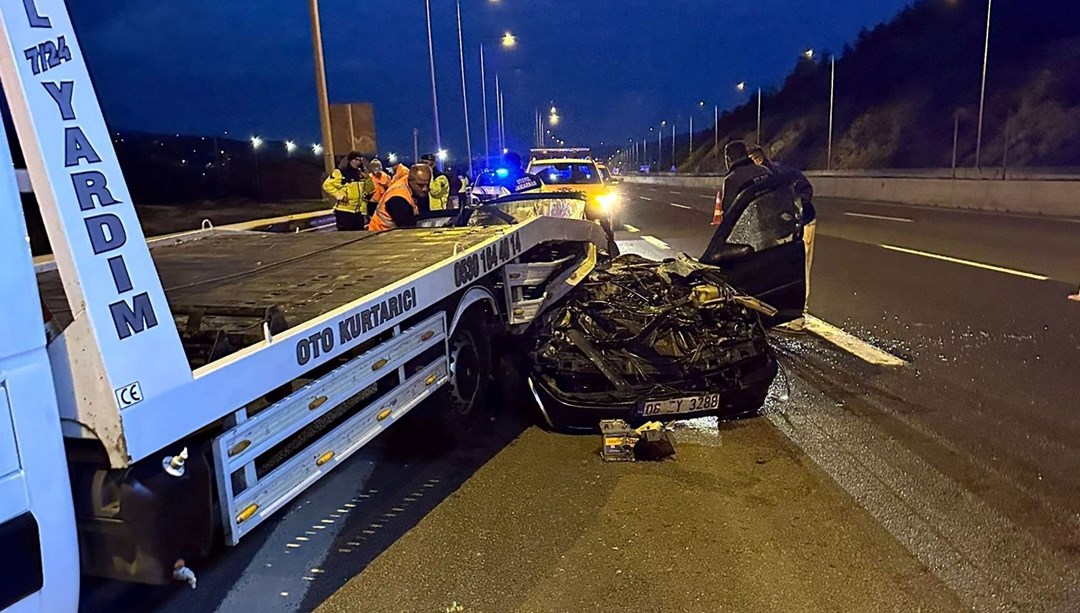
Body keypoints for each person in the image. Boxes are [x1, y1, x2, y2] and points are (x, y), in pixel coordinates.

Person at [749, 144, 817, 330]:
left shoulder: (781, 174)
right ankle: (780, 311)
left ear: (758, 160)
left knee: (800, 267)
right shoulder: (760, 178)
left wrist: (793, 210)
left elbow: (806, 190)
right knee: (780, 267)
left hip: (803, 223)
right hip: (780, 228)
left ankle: (798, 316)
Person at [712, 141, 771, 226]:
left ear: (728, 159)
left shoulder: (732, 179)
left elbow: (729, 211)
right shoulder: (765, 170)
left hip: (751, 228)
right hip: (773, 223)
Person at [368, 164, 431, 232]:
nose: (425, 189)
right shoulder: (397, 198)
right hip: (379, 234)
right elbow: (408, 228)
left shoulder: (413, 182)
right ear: (410, 181)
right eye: (420, 185)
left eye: (427, 184)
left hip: (392, 232)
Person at [323, 152, 367, 231]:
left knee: (360, 237)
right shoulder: (341, 173)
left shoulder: (361, 174)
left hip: (358, 212)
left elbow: (369, 189)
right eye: (356, 160)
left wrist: (367, 178)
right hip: (344, 211)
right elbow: (327, 185)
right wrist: (340, 196)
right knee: (346, 236)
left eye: (360, 160)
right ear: (350, 160)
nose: (358, 162)